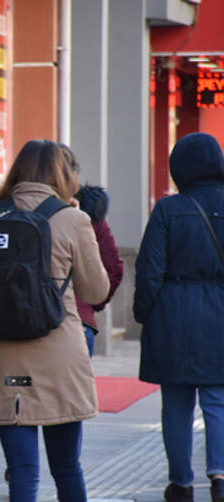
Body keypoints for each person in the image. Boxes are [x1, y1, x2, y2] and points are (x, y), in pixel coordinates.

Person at [0, 139, 109, 501]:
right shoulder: (73, 219)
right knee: (67, 467)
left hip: (0, 358)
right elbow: (97, 291)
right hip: (60, 358)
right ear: (61, 174)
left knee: (21, 471)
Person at [133, 132, 224, 502]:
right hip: (220, 311)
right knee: (218, 400)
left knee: (176, 402)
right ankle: (219, 477)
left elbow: (149, 269)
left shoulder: (169, 209)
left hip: (174, 313)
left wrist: (144, 311)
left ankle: (181, 483)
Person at [60, 145, 124, 356]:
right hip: (78, 318)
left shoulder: (17, 210)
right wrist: (91, 302)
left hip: (25, 322)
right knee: (75, 388)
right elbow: (113, 268)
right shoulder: (90, 213)